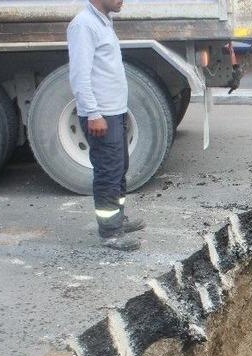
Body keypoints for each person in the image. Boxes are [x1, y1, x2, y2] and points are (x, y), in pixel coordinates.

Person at [67, 0, 145, 252]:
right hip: (101, 115)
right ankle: (110, 233)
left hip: (114, 111)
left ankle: (117, 218)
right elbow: (79, 75)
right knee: (108, 173)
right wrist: (93, 113)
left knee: (119, 168)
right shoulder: (84, 25)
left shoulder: (103, 23)